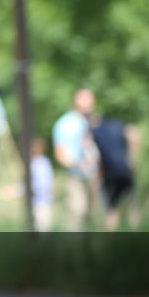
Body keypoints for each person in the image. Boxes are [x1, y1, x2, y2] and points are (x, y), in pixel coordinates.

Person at [52, 88, 101, 230]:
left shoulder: (94, 122)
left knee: (95, 218)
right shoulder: (65, 123)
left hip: (95, 175)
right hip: (76, 175)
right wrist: (76, 165)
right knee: (77, 214)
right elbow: (60, 153)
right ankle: (75, 251)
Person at [90, 114, 135, 231]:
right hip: (125, 170)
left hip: (109, 174)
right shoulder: (117, 124)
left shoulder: (94, 132)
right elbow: (133, 136)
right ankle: (137, 236)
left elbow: (93, 155)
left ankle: (110, 240)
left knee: (111, 210)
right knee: (132, 207)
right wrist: (131, 159)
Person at [29, 138, 55, 232]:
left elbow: (41, 186)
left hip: (41, 203)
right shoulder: (39, 163)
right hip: (38, 202)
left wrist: (16, 191)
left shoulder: (40, 164)